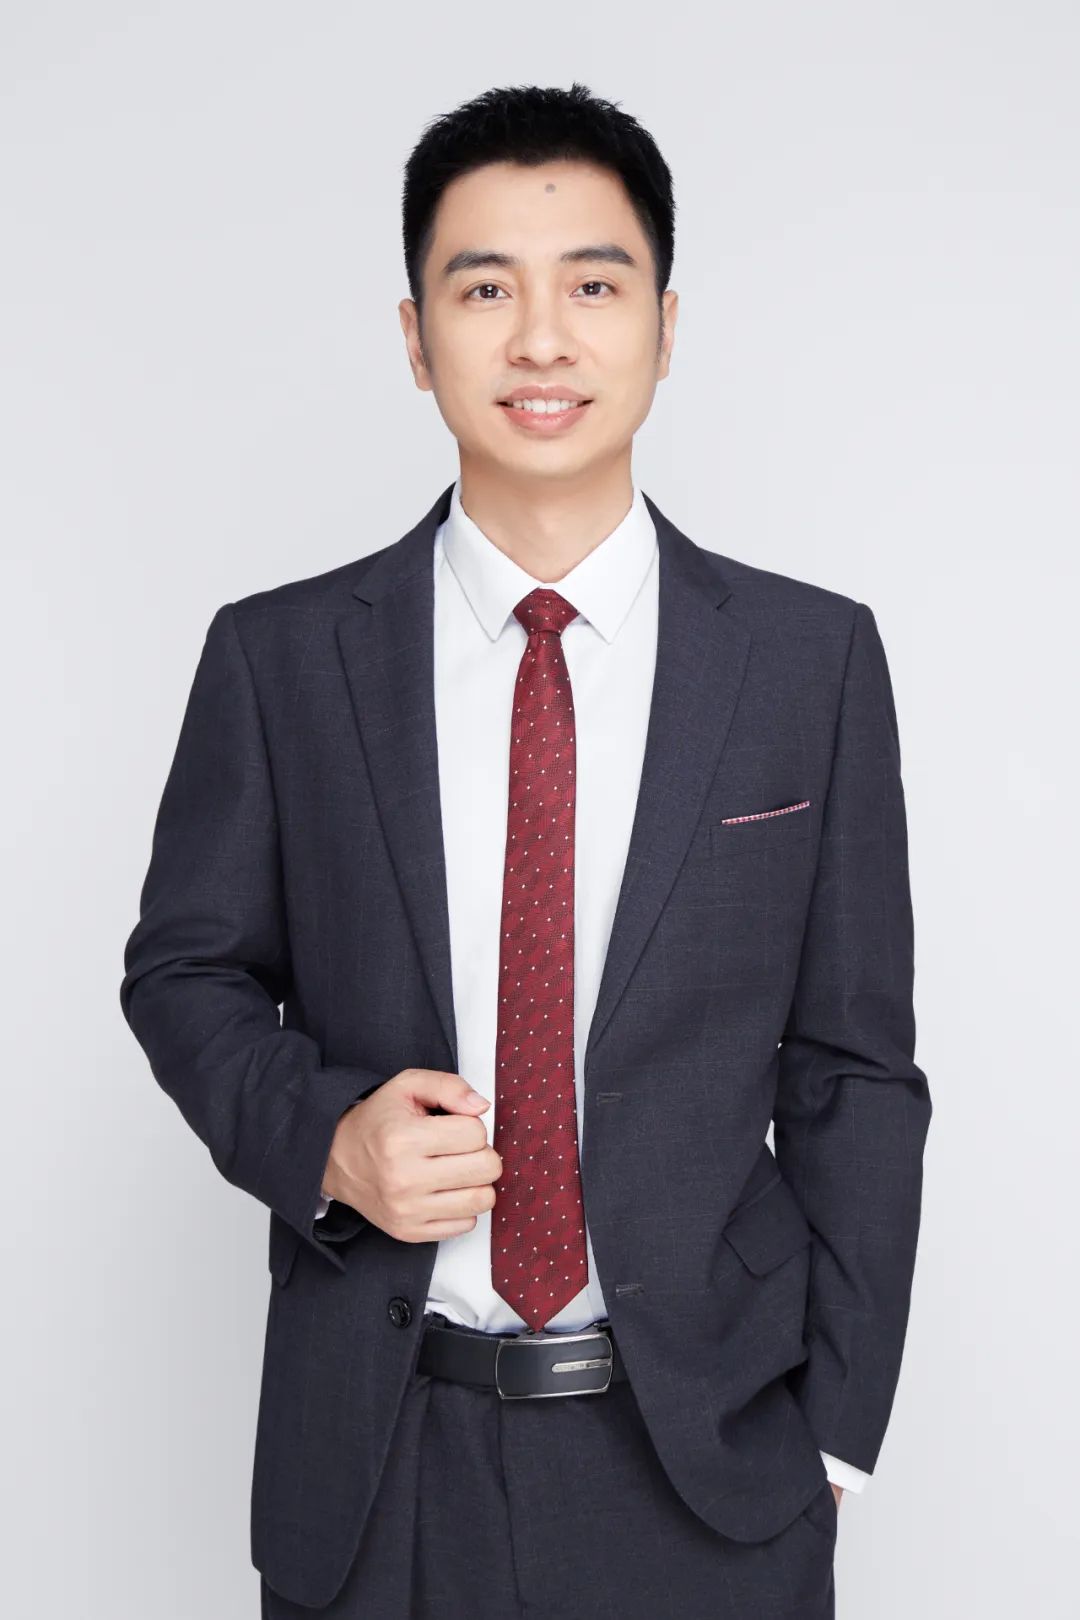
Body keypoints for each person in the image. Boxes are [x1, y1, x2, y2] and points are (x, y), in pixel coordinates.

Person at [120, 81, 931, 1619]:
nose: (541, 340)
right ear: (416, 337)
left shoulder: (807, 663)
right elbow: (185, 973)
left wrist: (835, 1434)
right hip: (380, 1461)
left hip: (708, 1466)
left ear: (665, 329)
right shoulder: (284, 659)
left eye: (594, 288)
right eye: (485, 289)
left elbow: (854, 1071)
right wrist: (325, 1137)